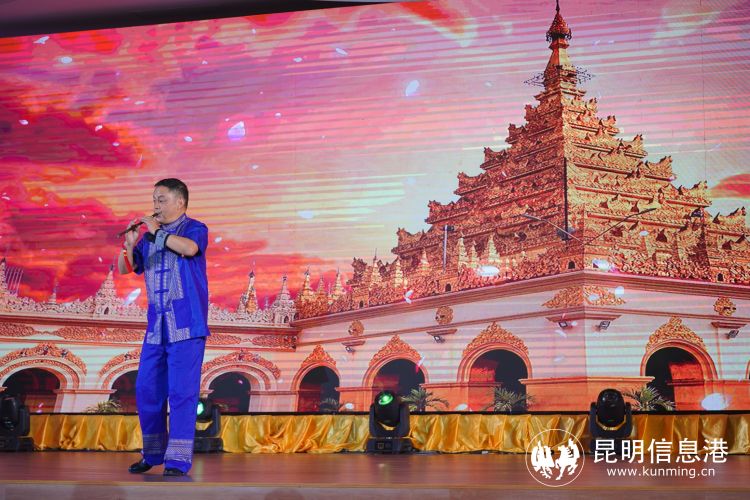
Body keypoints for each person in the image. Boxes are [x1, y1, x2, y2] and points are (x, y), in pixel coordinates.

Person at [118, 178, 210, 477]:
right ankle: (152, 453)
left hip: (187, 324)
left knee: (182, 393)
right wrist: (130, 244)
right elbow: (125, 268)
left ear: (180, 202)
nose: (156, 205)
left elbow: (190, 249)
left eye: (162, 199)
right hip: (157, 326)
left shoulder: (194, 228)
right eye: (154, 199)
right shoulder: (148, 238)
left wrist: (157, 232)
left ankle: (177, 460)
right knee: (147, 389)